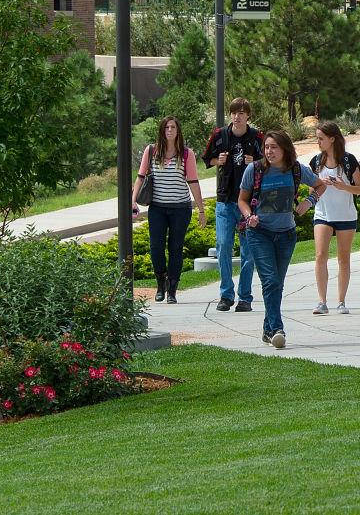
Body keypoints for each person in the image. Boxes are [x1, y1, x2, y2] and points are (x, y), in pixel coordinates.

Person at [238, 130, 321, 349]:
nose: (269, 151)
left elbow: (320, 185)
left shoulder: (296, 169)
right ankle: (277, 329)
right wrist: (249, 216)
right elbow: (242, 200)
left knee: (277, 283)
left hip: (286, 234)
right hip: (259, 233)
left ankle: (267, 328)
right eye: (266, 147)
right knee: (271, 282)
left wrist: (309, 201)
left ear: (284, 149)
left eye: (274, 147)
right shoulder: (254, 170)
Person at [133, 116, 206, 304]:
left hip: (180, 209)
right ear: (161, 130)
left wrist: (201, 210)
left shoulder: (186, 154)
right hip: (157, 208)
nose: (170, 130)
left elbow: (194, 183)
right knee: (156, 247)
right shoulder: (151, 151)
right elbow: (141, 177)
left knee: (175, 248)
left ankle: (172, 289)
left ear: (178, 131)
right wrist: (132, 201)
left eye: (173, 127)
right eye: (166, 127)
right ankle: (160, 283)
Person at [204, 97, 264, 312]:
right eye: (234, 113)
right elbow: (206, 159)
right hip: (225, 201)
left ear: (248, 115)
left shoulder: (257, 137)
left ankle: (245, 297)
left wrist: (256, 163)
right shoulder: (220, 135)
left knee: (248, 250)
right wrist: (216, 161)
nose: (237, 117)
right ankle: (226, 294)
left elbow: (268, 162)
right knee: (223, 246)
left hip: (248, 203)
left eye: (241, 113)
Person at [310, 121, 360, 315]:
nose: (318, 142)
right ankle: (321, 301)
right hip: (323, 214)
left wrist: (344, 186)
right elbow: (311, 190)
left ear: (332, 139)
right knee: (320, 256)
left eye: (321, 138)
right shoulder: (316, 162)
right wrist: (319, 183)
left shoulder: (349, 161)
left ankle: (341, 301)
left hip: (345, 216)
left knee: (343, 258)